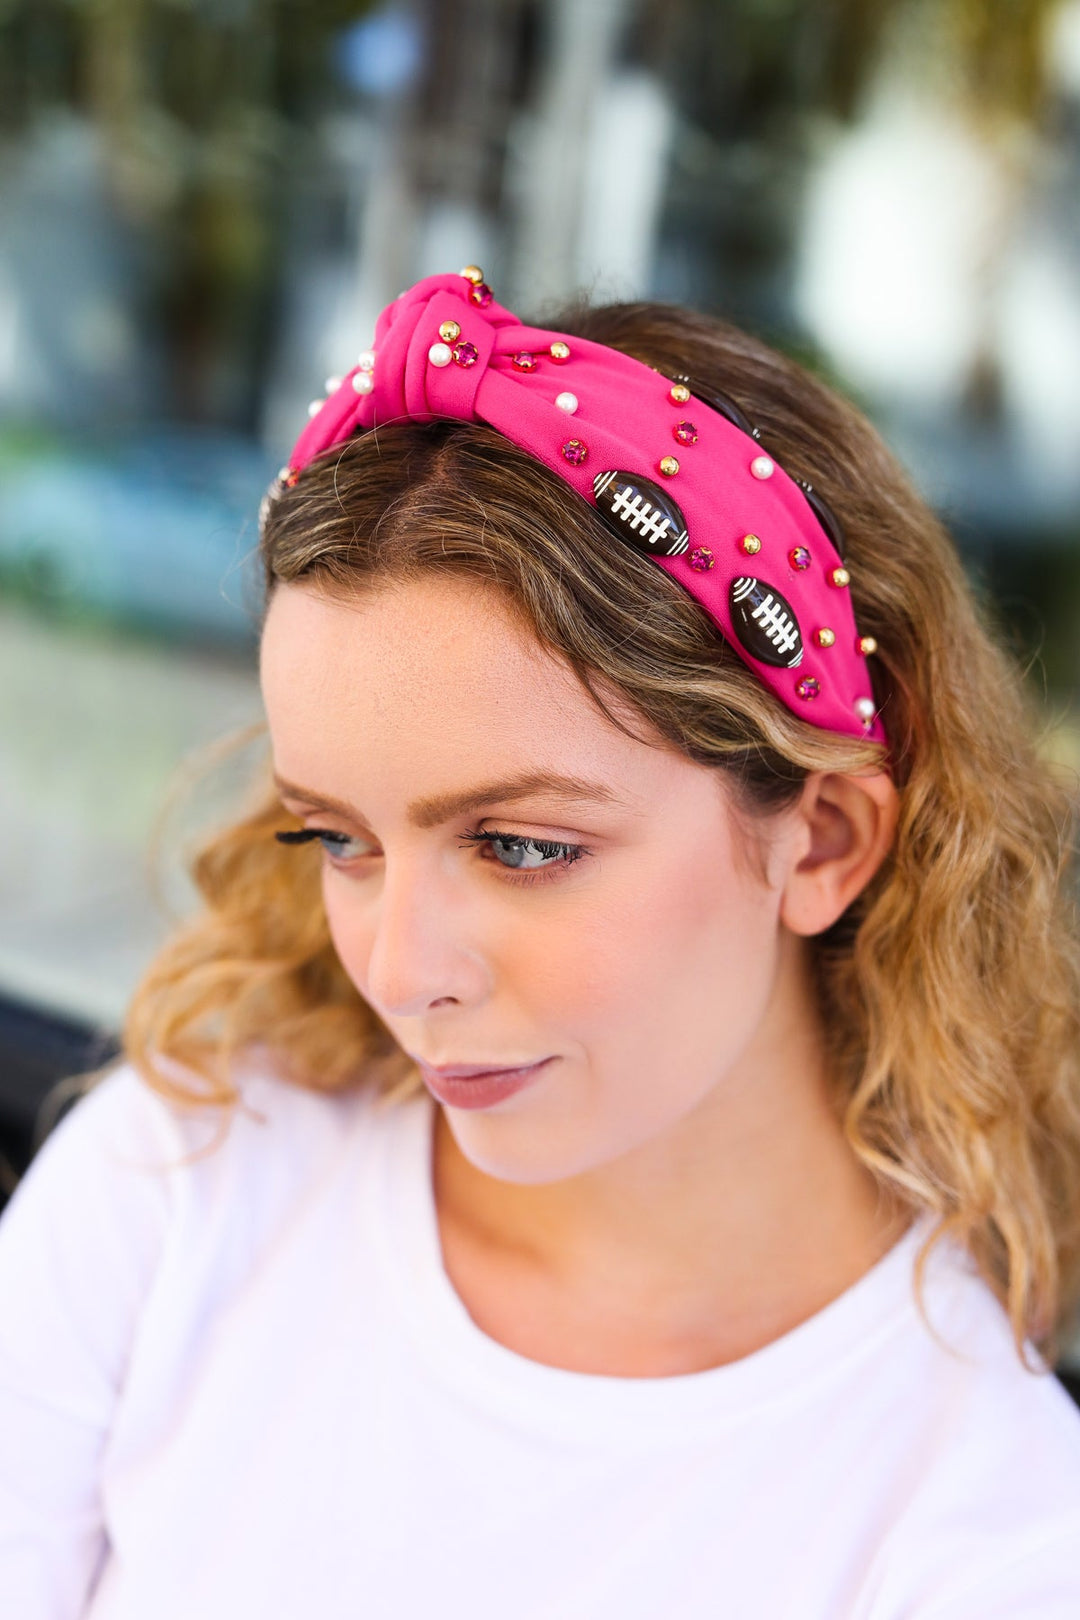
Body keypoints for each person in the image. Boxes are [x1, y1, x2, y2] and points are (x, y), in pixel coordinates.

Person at [2, 267, 1080, 1619]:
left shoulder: (976, 1534)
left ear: (821, 841)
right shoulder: (182, 1188)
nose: (403, 970)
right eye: (339, 839)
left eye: (521, 848)